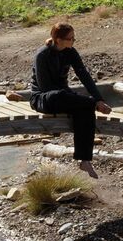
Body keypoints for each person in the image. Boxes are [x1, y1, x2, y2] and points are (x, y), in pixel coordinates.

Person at [30, 21, 112, 178]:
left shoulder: (70, 52)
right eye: (70, 39)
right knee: (66, 97)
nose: (73, 41)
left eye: (74, 38)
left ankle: (85, 159)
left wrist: (98, 99)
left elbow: (84, 76)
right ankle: (90, 104)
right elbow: (45, 87)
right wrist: (79, 100)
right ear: (58, 40)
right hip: (43, 98)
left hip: (63, 97)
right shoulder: (42, 55)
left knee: (86, 106)